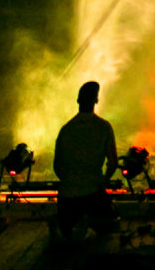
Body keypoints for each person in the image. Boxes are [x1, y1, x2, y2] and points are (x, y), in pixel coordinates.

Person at [53, 81, 118, 239]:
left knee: (68, 237)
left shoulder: (66, 129)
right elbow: (113, 162)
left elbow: (56, 166)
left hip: (66, 198)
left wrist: (70, 181)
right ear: (96, 100)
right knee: (109, 231)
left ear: (78, 101)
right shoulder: (103, 127)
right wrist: (104, 180)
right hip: (92, 193)